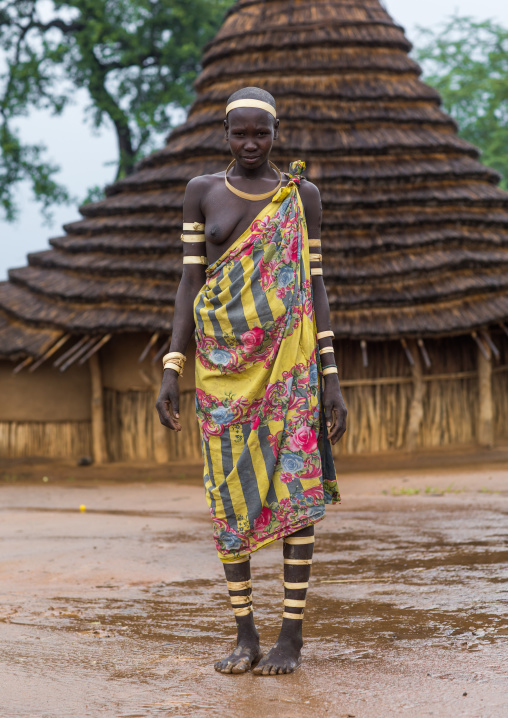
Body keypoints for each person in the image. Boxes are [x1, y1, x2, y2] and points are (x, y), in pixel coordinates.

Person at [156, 86, 347, 676]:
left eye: (259, 133)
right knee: (227, 495)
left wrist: (330, 375)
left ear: (276, 133)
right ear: (224, 133)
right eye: (239, 133)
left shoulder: (300, 197)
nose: (249, 144)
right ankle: (246, 636)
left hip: (289, 366)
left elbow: (314, 284)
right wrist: (173, 365)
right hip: (219, 370)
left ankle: (290, 638)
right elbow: (191, 283)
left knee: (297, 492)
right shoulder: (201, 193)